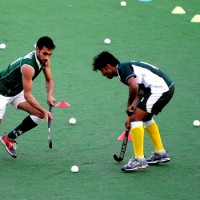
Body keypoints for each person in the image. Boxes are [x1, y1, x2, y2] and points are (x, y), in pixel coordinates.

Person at [92, 51, 175, 172]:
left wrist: (129, 106)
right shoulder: (126, 69)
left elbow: (134, 87)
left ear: (108, 66)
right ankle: (160, 153)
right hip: (162, 89)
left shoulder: (123, 68)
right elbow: (139, 92)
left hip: (159, 90)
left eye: (102, 70)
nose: (103, 74)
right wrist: (130, 115)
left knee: (137, 118)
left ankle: (139, 159)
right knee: (144, 117)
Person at [0, 36, 56, 158]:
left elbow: (49, 80)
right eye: (45, 53)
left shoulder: (45, 60)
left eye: (49, 54)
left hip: (16, 91)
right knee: (42, 112)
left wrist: (49, 95)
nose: (47, 57)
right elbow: (28, 96)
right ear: (37, 49)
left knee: (38, 114)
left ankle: (9, 138)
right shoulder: (28, 66)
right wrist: (45, 111)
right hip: (1, 92)